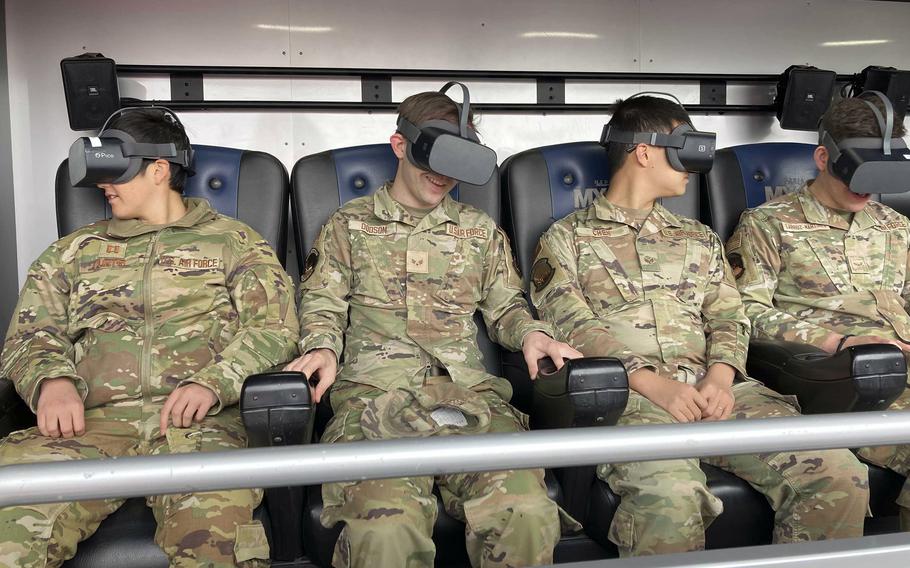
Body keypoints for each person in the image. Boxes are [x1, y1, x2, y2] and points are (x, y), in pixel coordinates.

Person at [531, 94, 869, 556]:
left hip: (720, 396)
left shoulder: (698, 238)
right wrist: (652, 384)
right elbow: (571, 323)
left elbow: (729, 314)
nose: (694, 164)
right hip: (627, 399)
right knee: (671, 496)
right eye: (683, 146)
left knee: (837, 474)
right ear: (644, 151)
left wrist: (722, 376)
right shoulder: (565, 238)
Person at [285, 85, 582, 568]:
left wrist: (533, 334)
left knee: (526, 513)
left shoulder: (479, 230)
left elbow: (506, 306)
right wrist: (322, 348)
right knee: (386, 528)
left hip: (470, 401)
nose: (443, 177)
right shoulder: (349, 226)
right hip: (374, 402)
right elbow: (322, 302)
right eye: (433, 161)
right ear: (400, 146)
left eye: (455, 166)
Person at [0, 108, 298, 567]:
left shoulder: (234, 243)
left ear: (159, 170)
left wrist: (213, 382)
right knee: (10, 536)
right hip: (86, 426)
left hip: (199, 429)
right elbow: (29, 335)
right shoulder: (73, 252)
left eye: (116, 173)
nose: (105, 185)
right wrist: (51, 382)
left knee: (216, 548)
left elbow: (275, 329)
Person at [727, 92, 910, 527]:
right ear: (824, 158)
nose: (866, 189)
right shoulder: (769, 224)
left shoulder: (896, 227)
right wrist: (839, 342)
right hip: (842, 383)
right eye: (856, 174)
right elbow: (745, 312)